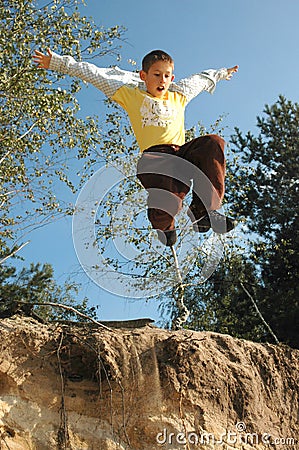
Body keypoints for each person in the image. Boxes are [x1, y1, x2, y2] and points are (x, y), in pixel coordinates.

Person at [33, 48, 238, 246]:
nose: (162, 81)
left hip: (181, 153)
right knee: (169, 201)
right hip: (156, 159)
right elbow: (92, 73)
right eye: (157, 75)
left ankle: (203, 211)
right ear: (143, 75)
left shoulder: (179, 93)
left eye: (167, 76)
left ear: (172, 78)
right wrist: (58, 62)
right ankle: (164, 225)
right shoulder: (128, 93)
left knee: (213, 143)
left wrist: (222, 73)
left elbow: (201, 79)